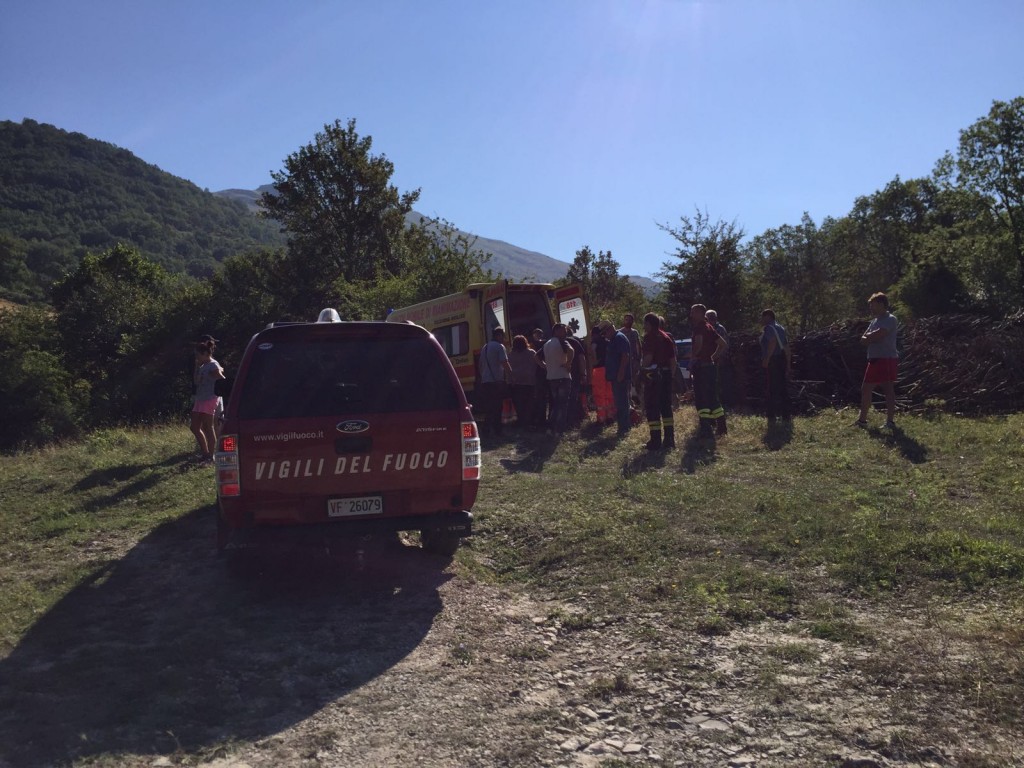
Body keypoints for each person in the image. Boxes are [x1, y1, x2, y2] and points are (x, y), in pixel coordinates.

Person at [856, 292, 899, 429]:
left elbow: (879, 334)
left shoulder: (890, 319)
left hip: (886, 359)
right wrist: (870, 336)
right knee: (866, 388)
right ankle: (862, 420)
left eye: (872, 305)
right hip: (874, 359)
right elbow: (863, 340)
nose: (871, 308)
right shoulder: (874, 321)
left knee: (887, 389)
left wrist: (870, 336)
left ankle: (890, 421)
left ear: (881, 304)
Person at [689, 304, 727, 439]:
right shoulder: (709, 327)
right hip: (710, 366)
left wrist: (693, 356)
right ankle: (721, 426)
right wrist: (713, 357)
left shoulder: (699, 327)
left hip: (701, 367)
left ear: (700, 313)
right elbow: (723, 344)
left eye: (693, 312)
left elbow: (698, 344)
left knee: (701, 397)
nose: (691, 315)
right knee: (712, 396)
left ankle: (705, 428)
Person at [640, 313, 677, 450]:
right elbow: (673, 361)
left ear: (649, 324)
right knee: (666, 408)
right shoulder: (666, 337)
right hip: (666, 374)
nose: (644, 326)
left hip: (653, 376)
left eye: (645, 323)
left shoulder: (650, 337)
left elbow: (648, 358)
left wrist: (641, 371)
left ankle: (655, 441)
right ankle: (669, 439)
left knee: (652, 408)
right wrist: (670, 377)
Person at [191, 339, 225, 465]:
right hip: (200, 398)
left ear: (205, 353)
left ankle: (210, 456)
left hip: (210, 398)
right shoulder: (202, 366)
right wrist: (196, 367)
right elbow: (196, 381)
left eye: (198, 355)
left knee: (208, 427)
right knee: (194, 427)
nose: (197, 357)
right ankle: (205, 453)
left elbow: (222, 379)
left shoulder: (213, 365)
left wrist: (216, 378)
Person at [540, 323, 574, 434]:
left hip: (551, 377)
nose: (565, 333)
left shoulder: (547, 344)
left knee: (555, 403)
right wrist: (568, 364)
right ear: (557, 331)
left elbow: (536, 356)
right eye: (564, 330)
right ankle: (560, 429)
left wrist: (545, 366)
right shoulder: (562, 341)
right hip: (563, 376)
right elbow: (571, 351)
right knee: (562, 404)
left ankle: (550, 427)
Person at [478, 327, 512, 437]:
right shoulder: (499, 347)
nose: (504, 338)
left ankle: (486, 429)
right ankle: (498, 430)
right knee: (497, 407)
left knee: (489, 407)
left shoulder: (485, 347)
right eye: (503, 336)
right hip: (496, 382)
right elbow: (505, 363)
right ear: (498, 335)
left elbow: (480, 366)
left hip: (485, 381)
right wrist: (511, 376)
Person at [760, 309, 792, 421]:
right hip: (781, 359)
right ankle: (786, 415)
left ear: (768, 317)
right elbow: (787, 348)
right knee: (783, 387)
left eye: (763, 317)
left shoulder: (769, 328)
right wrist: (788, 364)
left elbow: (772, 341)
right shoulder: (781, 328)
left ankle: (771, 415)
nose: (762, 319)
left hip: (773, 360)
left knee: (771, 387)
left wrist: (767, 358)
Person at [602, 321, 633, 437]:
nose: (604, 336)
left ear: (609, 329)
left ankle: (624, 428)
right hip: (615, 377)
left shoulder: (619, 338)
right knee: (619, 402)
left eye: (605, 333)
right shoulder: (613, 339)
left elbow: (625, 357)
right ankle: (623, 426)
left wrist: (620, 374)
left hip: (620, 377)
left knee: (622, 403)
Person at [705, 309, 734, 408]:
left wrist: (718, 357)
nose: (710, 319)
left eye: (711, 316)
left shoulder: (719, 329)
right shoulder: (709, 328)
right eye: (708, 317)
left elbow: (724, 345)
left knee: (723, 382)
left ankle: (726, 404)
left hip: (720, 360)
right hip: (713, 360)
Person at [507, 334, 537, 429]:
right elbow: (537, 365)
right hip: (529, 382)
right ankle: (529, 422)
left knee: (519, 405)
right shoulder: (532, 353)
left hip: (516, 383)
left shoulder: (510, 355)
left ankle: (521, 422)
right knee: (529, 404)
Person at [591, 322, 614, 424]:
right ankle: (610, 415)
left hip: (598, 369)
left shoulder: (594, 342)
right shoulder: (608, 341)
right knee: (609, 393)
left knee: (599, 394)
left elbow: (592, 351)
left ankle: (601, 418)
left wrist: (594, 361)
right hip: (608, 369)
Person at [565, 327, 589, 426]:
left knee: (566, 397)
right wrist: (583, 373)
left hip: (562, 374)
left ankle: (568, 418)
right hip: (575, 373)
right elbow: (582, 358)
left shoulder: (558, 341)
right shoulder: (576, 341)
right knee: (575, 396)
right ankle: (576, 418)